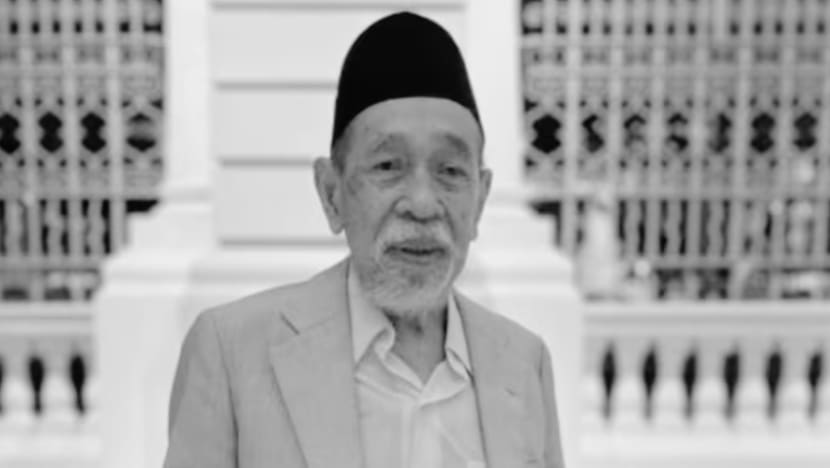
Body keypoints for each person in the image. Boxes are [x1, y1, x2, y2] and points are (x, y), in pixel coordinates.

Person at [163, 11, 565, 468]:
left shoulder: (524, 363)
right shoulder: (233, 353)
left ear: (481, 198)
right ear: (331, 193)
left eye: (451, 171)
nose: (422, 204)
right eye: (388, 166)